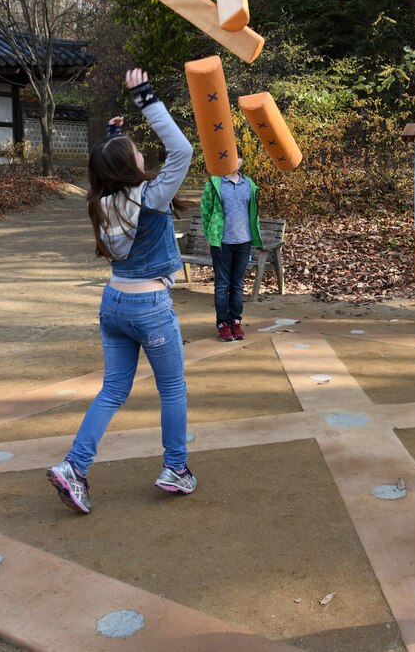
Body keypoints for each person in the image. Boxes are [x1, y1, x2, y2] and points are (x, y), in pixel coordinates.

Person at [47, 68, 197, 514]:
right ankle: (176, 468)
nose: (141, 155)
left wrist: (114, 137)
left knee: (113, 390)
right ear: (130, 167)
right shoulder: (149, 196)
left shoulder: (103, 200)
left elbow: (112, 168)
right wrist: (145, 98)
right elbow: (182, 149)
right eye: (134, 152)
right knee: (172, 389)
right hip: (149, 305)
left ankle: (75, 466)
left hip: (113, 302)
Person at [200, 158, 263, 341]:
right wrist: (209, 235)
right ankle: (223, 324)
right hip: (222, 242)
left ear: (242, 160)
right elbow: (206, 210)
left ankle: (236, 322)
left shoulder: (248, 183)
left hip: (244, 241)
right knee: (222, 285)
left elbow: (252, 211)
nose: (234, 160)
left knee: (237, 284)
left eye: (238, 156)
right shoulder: (215, 183)